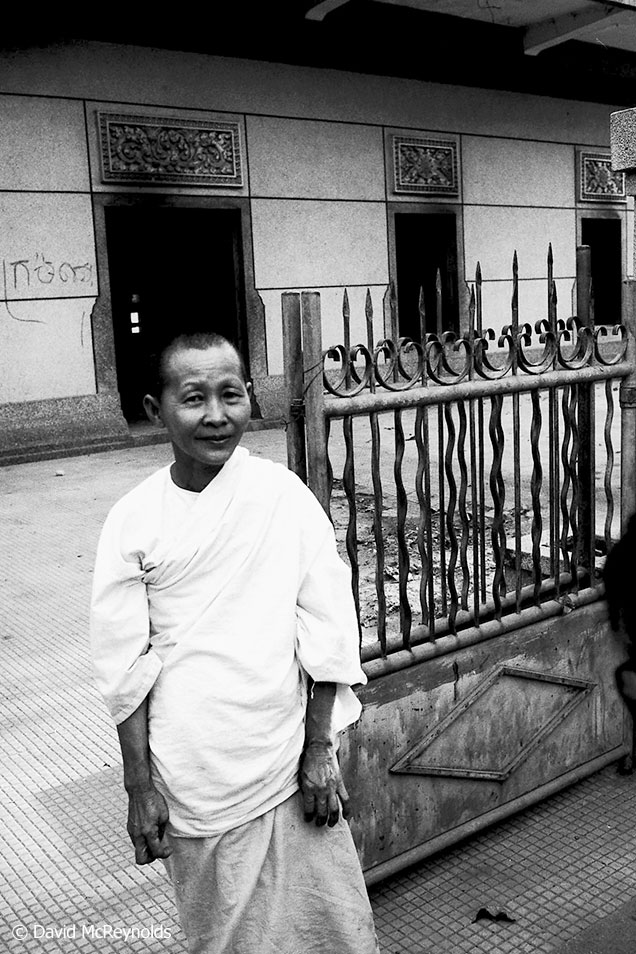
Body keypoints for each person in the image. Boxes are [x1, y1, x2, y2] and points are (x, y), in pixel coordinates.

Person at [89, 331, 380, 953]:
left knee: (332, 933)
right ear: (154, 409)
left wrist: (318, 748)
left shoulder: (282, 497)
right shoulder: (133, 521)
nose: (217, 416)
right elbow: (124, 671)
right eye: (194, 398)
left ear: (252, 398)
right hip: (193, 779)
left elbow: (327, 629)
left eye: (231, 394)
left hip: (286, 766)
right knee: (223, 939)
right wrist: (139, 789)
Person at [604, 513, 636, 775]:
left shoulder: (619, 555)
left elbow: (613, 595)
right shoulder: (620, 557)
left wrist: (617, 624)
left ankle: (630, 752)